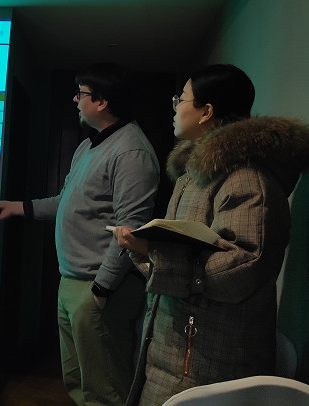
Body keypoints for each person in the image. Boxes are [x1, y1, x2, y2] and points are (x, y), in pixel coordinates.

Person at [113, 64, 309, 406]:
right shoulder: (194, 175)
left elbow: (244, 266)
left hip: (207, 362)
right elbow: (183, 257)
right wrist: (146, 249)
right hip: (181, 350)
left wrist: (156, 252)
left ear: (207, 111)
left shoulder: (245, 177)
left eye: (181, 99)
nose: (175, 107)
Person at [0, 63, 160, 406]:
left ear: (102, 102)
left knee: (105, 390)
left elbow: (130, 230)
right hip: (72, 281)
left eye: (81, 94)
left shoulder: (132, 151)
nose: (75, 100)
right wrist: (16, 208)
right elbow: (66, 202)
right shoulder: (87, 147)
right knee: (78, 382)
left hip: (100, 287)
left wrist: (101, 289)